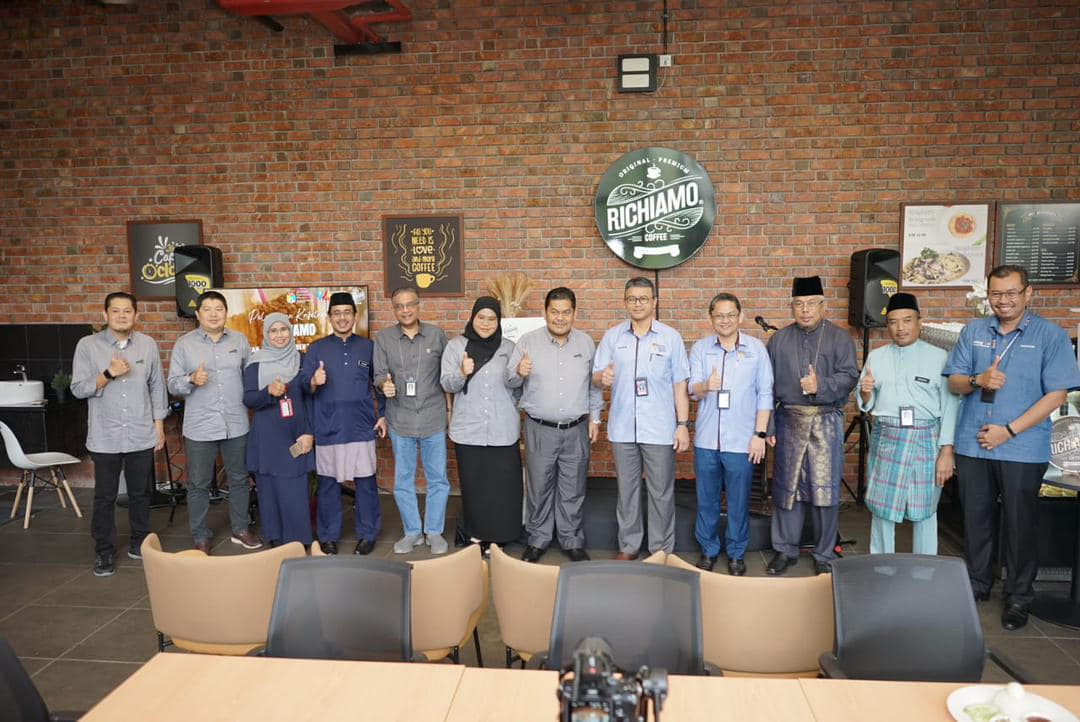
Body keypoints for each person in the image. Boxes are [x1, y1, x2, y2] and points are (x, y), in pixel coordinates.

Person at [944, 264, 1080, 631]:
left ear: (1027, 294)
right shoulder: (974, 331)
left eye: (1010, 293)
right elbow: (955, 382)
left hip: (1021, 447)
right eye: (996, 294)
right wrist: (978, 379)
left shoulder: (1050, 336)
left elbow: (1057, 395)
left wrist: (1008, 431)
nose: (1002, 301)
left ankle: (1019, 596)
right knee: (976, 520)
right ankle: (976, 585)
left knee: (1021, 524)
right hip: (973, 444)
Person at [765, 275, 858, 575]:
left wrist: (822, 385)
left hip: (825, 421)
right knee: (786, 489)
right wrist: (768, 426)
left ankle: (824, 554)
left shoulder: (839, 338)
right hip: (788, 421)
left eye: (811, 304)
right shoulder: (778, 340)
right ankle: (785, 550)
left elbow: (850, 376)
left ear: (823, 305)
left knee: (825, 491)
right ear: (791, 307)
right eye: (799, 304)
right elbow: (765, 387)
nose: (805, 310)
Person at [593, 277, 691, 559]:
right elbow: (596, 377)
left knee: (661, 492)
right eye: (632, 298)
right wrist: (602, 378)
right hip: (623, 427)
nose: (638, 303)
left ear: (654, 302)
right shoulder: (613, 337)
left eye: (643, 298)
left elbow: (680, 385)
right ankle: (629, 546)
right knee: (627, 491)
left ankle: (660, 550)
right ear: (625, 302)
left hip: (659, 428)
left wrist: (682, 425)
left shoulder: (670, 338)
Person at [71, 292, 167, 577]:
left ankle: (140, 543)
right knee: (105, 496)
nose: (122, 316)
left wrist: (159, 425)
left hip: (140, 431)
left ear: (136, 315)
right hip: (105, 435)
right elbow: (78, 389)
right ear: (105, 315)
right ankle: (104, 551)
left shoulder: (148, 344)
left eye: (127, 311)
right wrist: (108, 374)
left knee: (140, 493)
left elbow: (157, 386)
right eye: (116, 311)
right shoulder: (87, 345)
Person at [858, 292, 958, 556]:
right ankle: (881, 565)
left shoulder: (939, 357)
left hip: (926, 438)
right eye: (893, 322)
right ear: (887, 325)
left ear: (919, 322)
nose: (900, 327)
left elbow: (951, 406)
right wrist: (866, 392)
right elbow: (866, 402)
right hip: (886, 436)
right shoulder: (876, 357)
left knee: (925, 509)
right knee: (882, 508)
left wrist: (946, 451)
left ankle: (924, 568)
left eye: (907, 320)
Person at [508, 287, 603, 563]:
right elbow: (510, 383)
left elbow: (594, 386)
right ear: (545, 312)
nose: (560, 318)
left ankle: (571, 540)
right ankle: (537, 539)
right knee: (539, 486)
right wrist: (518, 372)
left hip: (577, 429)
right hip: (539, 428)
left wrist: (595, 418)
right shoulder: (527, 342)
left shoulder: (586, 343)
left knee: (573, 488)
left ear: (574, 313)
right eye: (554, 312)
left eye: (566, 312)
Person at [167, 290, 262, 554]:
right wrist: (190, 379)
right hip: (200, 426)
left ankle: (240, 529)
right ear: (198, 314)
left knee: (239, 478)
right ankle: (200, 535)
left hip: (236, 423)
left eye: (218, 309)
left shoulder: (239, 340)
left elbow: (250, 377)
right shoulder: (184, 344)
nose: (213, 314)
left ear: (226, 313)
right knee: (198, 483)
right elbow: (172, 384)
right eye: (207, 309)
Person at [688, 293, 773, 575]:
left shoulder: (756, 349)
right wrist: (705, 386)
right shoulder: (701, 349)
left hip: (741, 440)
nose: (725, 320)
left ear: (740, 316)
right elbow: (691, 390)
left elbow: (765, 393)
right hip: (707, 440)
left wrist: (759, 434)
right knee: (707, 500)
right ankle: (708, 549)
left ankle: (736, 552)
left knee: (738, 501)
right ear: (710, 318)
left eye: (730, 315)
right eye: (719, 316)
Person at [299, 291, 387, 556]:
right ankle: (328, 536)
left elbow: (380, 383)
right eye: (336, 313)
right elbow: (303, 385)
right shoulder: (317, 348)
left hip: (362, 425)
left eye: (347, 312)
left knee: (366, 483)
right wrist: (314, 381)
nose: (342, 318)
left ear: (354, 316)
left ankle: (368, 534)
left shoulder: (368, 347)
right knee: (327, 484)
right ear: (329, 317)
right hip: (328, 426)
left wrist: (382, 414)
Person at [441, 296, 523, 551]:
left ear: (498, 322)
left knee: (503, 486)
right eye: (481, 318)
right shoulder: (456, 346)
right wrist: (461, 372)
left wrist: (520, 373)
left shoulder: (509, 348)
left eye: (491, 319)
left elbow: (517, 387)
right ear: (472, 318)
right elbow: (446, 384)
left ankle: (500, 536)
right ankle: (476, 535)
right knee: (475, 487)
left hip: (502, 428)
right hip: (469, 429)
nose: (486, 324)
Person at [374, 286, 450, 555]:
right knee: (403, 480)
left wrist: (450, 411)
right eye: (399, 306)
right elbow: (379, 374)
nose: (405, 310)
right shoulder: (383, 338)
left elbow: (447, 376)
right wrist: (384, 385)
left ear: (418, 305)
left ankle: (434, 531)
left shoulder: (437, 335)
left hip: (433, 417)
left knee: (438, 478)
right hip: (400, 419)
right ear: (394, 309)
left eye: (410, 304)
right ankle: (412, 532)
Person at [242, 313, 315, 548]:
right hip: (267, 436)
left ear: (290, 331)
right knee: (269, 490)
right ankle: (275, 538)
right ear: (266, 334)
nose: (279, 335)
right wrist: (268, 392)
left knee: (295, 490)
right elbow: (249, 399)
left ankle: (299, 540)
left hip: (296, 435)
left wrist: (309, 431)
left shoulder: (302, 360)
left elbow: (311, 399)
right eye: (273, 331)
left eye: (283, 329)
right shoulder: (255, 363)